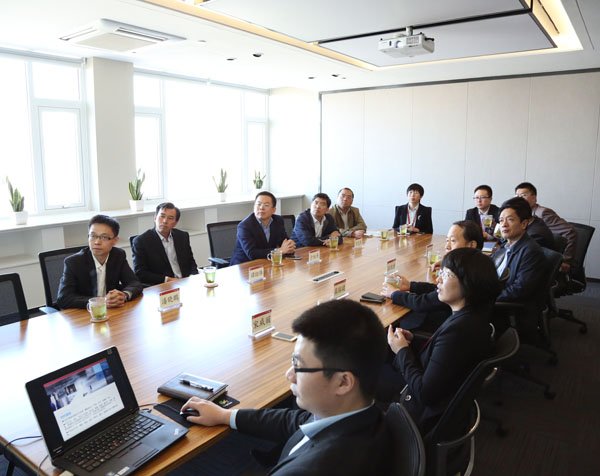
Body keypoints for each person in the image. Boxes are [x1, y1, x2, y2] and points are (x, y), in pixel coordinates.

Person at [181, 300, 392, 476]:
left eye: (299, 365)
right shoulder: (360, 413)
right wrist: (225, 415)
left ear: (343, 382)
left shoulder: (315, 468)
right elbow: (298, 420)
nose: (289, 374)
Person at [377, 248, 502, 434]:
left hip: (421, 414)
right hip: (440, 389)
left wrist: (402, 351)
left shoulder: (459, 331)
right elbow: (444, 354)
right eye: (441, 272)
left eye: (447, 274)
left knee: (363, 372)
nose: (439, 280)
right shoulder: (470, 316)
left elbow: (425, 394)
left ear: (469, 284)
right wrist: (412, 341)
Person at [381, 221, 484, 332]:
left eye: (453, 241)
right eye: (447, 240)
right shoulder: (475, 265)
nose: (447, 246)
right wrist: (411, 286)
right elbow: (436, 290)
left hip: (439, 327)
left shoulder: (465, 274)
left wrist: (395, 294)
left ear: (471, 245)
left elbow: (423, 303)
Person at [57, 215, 143, 309]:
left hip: (111, 311)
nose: (97, 242)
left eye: (104, 237)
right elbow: (63, 298)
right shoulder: (73, 262)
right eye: (93, 236)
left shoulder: (118, 255)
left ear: (115, 241)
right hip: (84, 312)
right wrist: (99, 302)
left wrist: (124, 295)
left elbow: (134, 283)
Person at [491, 197, 546, 338]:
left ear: (524, 224)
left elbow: (519, 290)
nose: (503, 224)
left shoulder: (530, 251)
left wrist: (486, 298)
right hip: (495, 292)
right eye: (501, 220)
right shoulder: (506, 245)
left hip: (505, 308)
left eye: (510, 220)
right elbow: (488, 266)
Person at [515, 182, 576, 273]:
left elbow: (569, 231)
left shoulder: (543, 213)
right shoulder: (523, 214)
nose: (519, 199)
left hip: (544, 260)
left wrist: (566, 260)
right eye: (517, 196)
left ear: (534, 198)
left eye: (523, 195)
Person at [131, 202, 199, 285]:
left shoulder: (182, 236)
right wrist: (168, 280)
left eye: (170, 218)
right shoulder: (141, 241)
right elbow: (140, 273)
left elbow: (191, 262)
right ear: (155, 218)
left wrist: (192, 277)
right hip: (162, 285)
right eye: (162, 216)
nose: (165, 221)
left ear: (175, 223)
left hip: (185, 282)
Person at [230, 192, 296, 265]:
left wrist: (289, 245)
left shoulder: (278, 221)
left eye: (266, 205)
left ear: (273, 210)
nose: (261, 208)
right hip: (244, 266)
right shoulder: (244, 226)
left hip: (266, 263)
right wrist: (279, 251)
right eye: (258, 204)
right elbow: (252, 253)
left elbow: (283, 241)